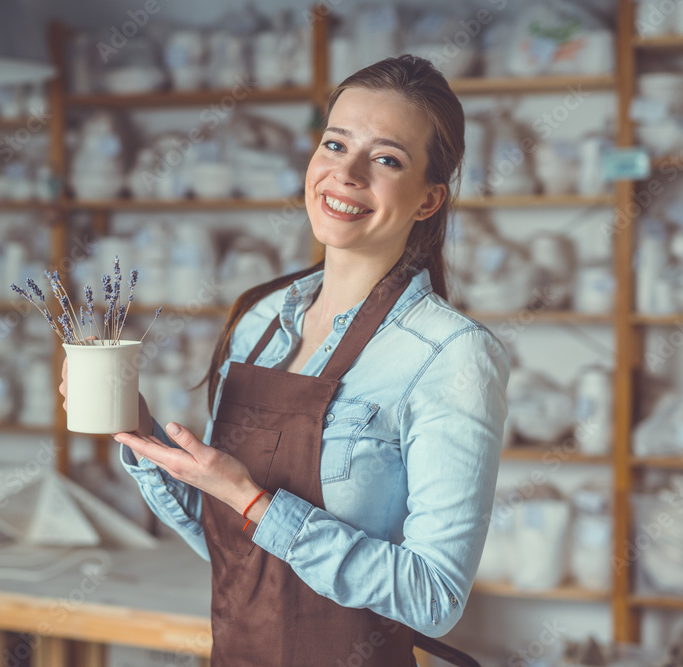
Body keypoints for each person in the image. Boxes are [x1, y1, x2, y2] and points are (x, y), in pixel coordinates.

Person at [59, 54, 510, 667]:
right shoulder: (259, 322)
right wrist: (140, 436)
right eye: (334, 144)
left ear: (429, 200)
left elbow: (434, 597)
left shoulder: (451, 353)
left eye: (386, 158)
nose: (345, 173)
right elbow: (241, 554)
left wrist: (254, 502)